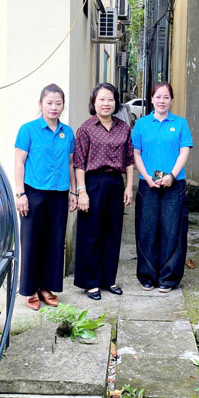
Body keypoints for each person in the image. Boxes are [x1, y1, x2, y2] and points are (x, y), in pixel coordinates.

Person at [14, 84, 77, 310]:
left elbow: (70, 164)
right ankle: (30, 290)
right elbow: (19, 162)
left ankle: (46, 288)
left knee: (54, 242)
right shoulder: (28, 130)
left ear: (63, 106)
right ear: (40, 105)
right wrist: (20, 193)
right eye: (49, 103)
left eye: (58, 103)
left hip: (59, 194)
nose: (53, 107)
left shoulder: (67, 132)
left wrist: (73, 192)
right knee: (31, 242)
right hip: (34, 193)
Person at [73, 83, 134, 300]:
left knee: (112, 232)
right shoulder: (86, 129)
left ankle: (109, 279)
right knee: (91, 233)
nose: (106, 103)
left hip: (115, 183)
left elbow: (129, 160)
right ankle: (91, 282)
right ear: (94, 102)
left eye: (110, 99)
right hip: (92, 183)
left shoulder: (124, 128)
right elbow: (79, 163)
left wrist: (128, 186)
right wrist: (82, 191)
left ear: (116, 102)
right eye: (102, 99)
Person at [132, 83, 193, 292]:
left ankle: (169, 278)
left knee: (172, 229)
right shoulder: (141, 124)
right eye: (158, 97)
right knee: (147, 229)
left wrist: (172, 176)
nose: (162, 101)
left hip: (174, 184)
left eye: (166, 97)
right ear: (152, 99)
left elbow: (184, 151)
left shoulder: (180, 123)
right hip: (147, 184)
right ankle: (147, 276)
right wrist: (147, 177)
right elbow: (136, 154)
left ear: (171, 100)